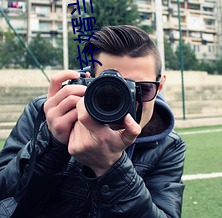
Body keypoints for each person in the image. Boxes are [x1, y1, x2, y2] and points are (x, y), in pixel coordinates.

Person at [0, 25, 186, 218]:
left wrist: (111, 167)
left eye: (143, 89)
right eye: (112, 89)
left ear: (160, 86)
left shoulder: (168, 145)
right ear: (89, 80)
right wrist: (51, 144)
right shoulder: (47, 113)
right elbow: (4, 195)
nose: (128, 101)